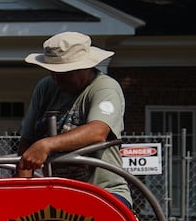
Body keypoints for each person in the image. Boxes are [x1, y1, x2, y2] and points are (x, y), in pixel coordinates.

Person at [16, 31, 130, 206]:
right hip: (54, 194)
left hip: (103, 194)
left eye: (63, 72)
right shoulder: (45, 87)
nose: (55, 78)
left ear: (85, 67)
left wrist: (47, 144)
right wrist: (22, 189)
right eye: (51, 71)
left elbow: (98, 131)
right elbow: (27, 140)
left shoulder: (104, 87)